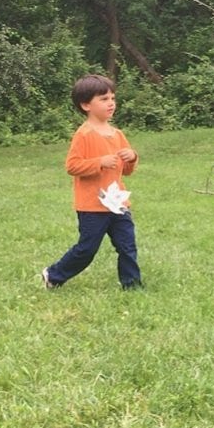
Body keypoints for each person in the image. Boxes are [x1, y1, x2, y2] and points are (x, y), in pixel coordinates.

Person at [42, 74, 143, 290]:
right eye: (104, 99)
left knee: (127, 245)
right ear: (86, 104)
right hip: (92, 206)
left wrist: (132, 157)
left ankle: (132, 284)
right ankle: (53, 274)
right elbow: (72, 166)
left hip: (118, 203)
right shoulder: (84, 134)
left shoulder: (117, 134)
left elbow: (126, 171)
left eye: (113, 98)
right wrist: (99, 162)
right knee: (87, 249)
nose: (111, 103)